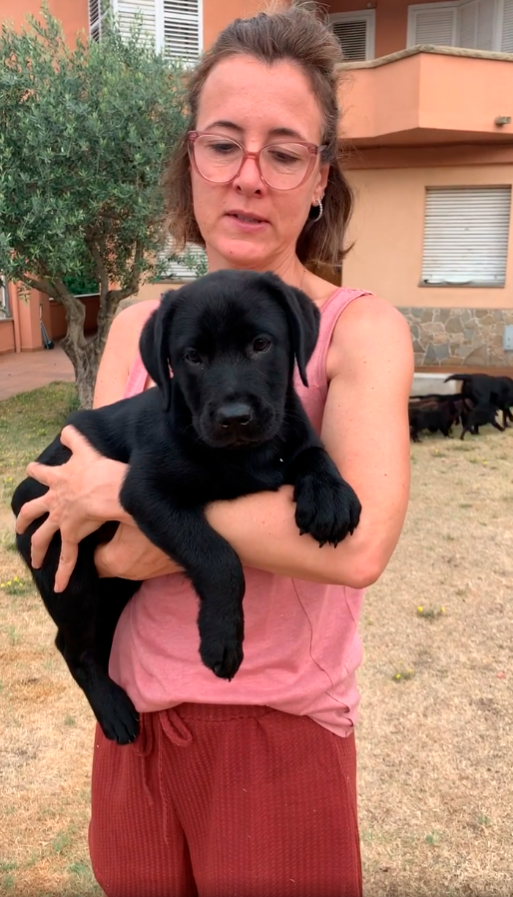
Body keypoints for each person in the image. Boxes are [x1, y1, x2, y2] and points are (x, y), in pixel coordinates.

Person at [16, 4, 413, 895]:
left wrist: (125, 493)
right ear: (189, 159)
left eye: (282, 151)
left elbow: (356, 546)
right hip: (138, 722)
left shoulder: (361, 329)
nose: (248, 177)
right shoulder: (139, 324)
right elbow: (103, 548)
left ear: (320, 176)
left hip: (274, 727)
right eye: (223, 143)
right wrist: (129, 507)